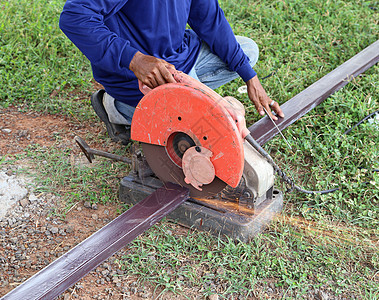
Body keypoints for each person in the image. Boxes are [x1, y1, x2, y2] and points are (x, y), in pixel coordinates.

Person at [60, 0, 284, 144]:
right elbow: (74, 17)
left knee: (246, 51)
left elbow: (211, 22)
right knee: (200, 130)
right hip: (136, 76)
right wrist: (134, 60)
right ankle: (118, 109)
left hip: (179, 57)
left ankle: (161, 103)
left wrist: (250, 78)